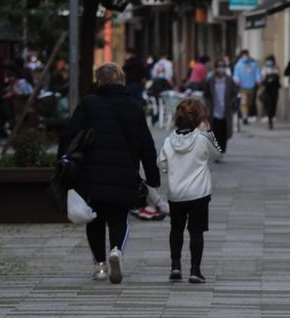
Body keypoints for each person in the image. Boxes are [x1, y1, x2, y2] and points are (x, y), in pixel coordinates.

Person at [58, 63, 161, 285]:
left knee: (95, 219)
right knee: (119, 217)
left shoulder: (88, 104)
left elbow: (69, 137)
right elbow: (147, 145)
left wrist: (63, 166)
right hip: (124, 174)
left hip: (91, 174)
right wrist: (153, 178)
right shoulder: (134, 106)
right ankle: (116, 252)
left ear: (99, 80)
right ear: (122, 80)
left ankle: (100, 267)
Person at [158, 98, 220, 284]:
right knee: (196, 231)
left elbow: (161, 163)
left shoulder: (169, 141)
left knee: (176, 229)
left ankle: (175, 266)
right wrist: (209, 132)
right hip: (199, 193)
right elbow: (216, 153)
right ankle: (195, 270)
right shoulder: (202, 139)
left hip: (176, 194)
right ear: (199, 119)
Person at [202, 60, 237, 157]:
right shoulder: (211, 80)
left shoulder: (229, 80)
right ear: (215, 67)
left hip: (225, 110)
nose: (220, 68)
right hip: (214, 111)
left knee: (224, 132)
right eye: (219, 66)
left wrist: (231, 102)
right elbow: (206, 94)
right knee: (215, 131)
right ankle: (216, 150)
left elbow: (235, 93)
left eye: (222, 66)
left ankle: (222, 150)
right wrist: (208, 105)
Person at [232, 49, 262, 124]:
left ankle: (246, 114)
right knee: (243, 102)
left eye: (246, 54)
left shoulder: (253, 64)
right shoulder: (238, 65)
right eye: (244, 55)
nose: (245, 56)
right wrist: (236, 80)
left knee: (249, 102)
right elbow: (236, 75)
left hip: (251, 86)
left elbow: (257, 73)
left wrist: (258, 79)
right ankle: (245, 117)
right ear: (241, 55)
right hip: (242, 87)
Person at [260, 55, 282, 129]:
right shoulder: (264, 68)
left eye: (270, 61)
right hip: (267, 90)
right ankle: (270, 119)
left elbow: (279, 77)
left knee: (274, 104)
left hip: (274, 89)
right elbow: (262, 78)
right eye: (268, 61)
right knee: (268, 104)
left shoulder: (276, 68)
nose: (269, 62)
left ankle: (272, 116)